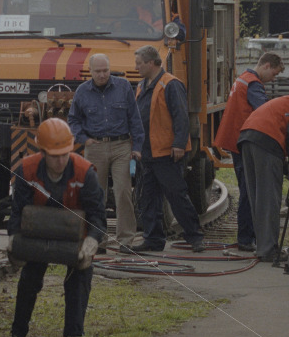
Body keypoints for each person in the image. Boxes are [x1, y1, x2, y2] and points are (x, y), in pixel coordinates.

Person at [7, 118, 106, 337]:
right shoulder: (26, 170)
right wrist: (13, 239)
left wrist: (92, 241)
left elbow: (98, 216)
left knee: (79, 277)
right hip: (38, 235)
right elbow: (16, 210)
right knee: (29, 279)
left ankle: (74, 335)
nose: (60, 160)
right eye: (54, 155)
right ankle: (17, 333)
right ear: (42, 152)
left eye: (64, 154)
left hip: (75, 238)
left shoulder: (85, 173)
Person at [130, 45, 206, 253]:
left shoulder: (171, 84)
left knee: (176, 195)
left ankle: (195, 237)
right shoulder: (142, 85)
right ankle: (153, 239)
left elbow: (181, 116)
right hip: (147, 153)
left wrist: (179, 144)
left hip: (166, 152)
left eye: (139, 63)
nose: (136, 67)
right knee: (148, 198)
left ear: (152, 63)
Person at [67, 53, 144, 251]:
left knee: (123, 192)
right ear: (90, 72)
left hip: (121, 146)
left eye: (106, 70)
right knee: (95, 194)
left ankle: (126, 240)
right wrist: (84, 140)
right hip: (95, 147)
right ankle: (97, 239)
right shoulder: (82, 92)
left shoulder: (124, 87)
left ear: (110, 69)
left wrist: (136, 148)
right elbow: (73, 120)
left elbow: (134, 118)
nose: (102, 75)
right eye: (98, 71)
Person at [214, 52, 284, 252]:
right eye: (275, 74)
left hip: (238, 141)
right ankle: (246, 237)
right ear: (267, 66)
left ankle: (247, 236)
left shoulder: (242, 79)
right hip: (247, 143)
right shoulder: (253, 84)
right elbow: (265, 112)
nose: (274, 79)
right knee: (249, 191)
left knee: (247, 190)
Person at [237, 95, 289, 263]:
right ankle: (267, 250)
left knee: (257, 197)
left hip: (247, 136)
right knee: (268, 197)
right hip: (267, 138)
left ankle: (263, 246)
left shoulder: (282, 102)